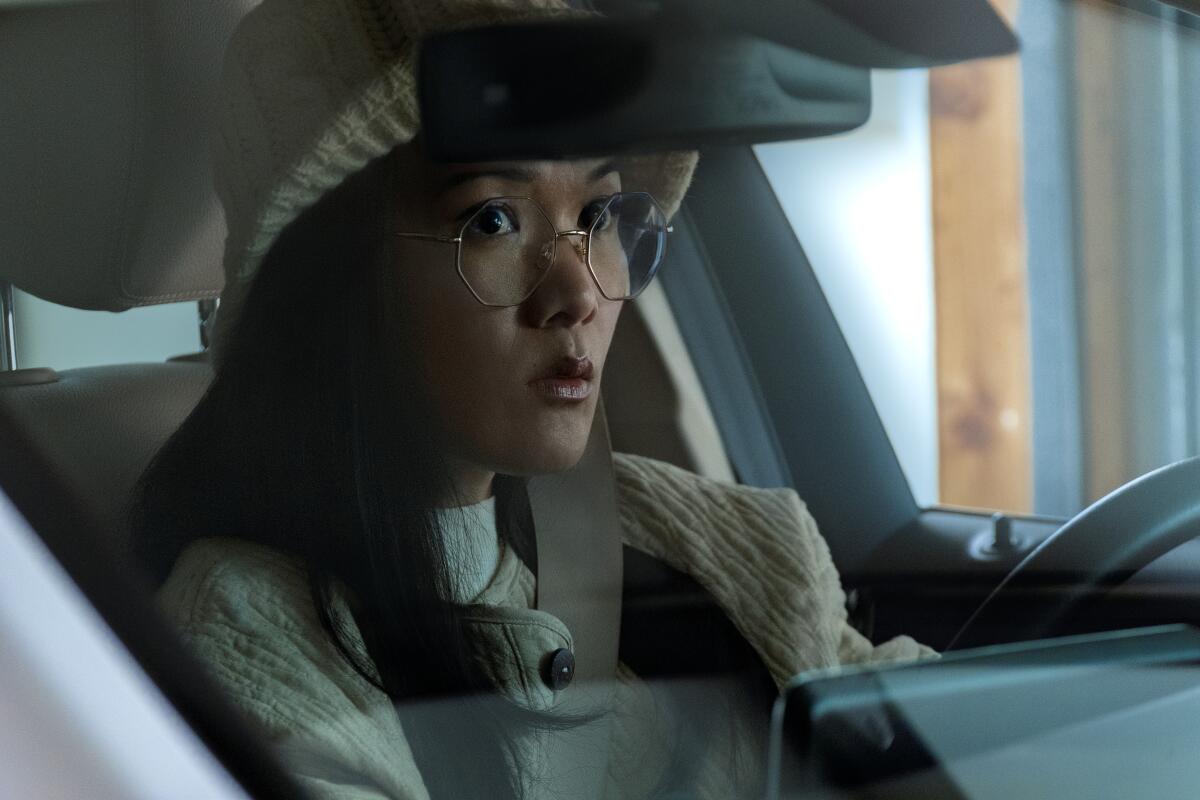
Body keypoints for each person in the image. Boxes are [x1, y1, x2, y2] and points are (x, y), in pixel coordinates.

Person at [132, 0, 933, 798]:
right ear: (332, 284)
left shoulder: (728, 550)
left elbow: (960, 744)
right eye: (492, 220)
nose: (577, 289)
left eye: (597, 215)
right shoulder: (247, 647)